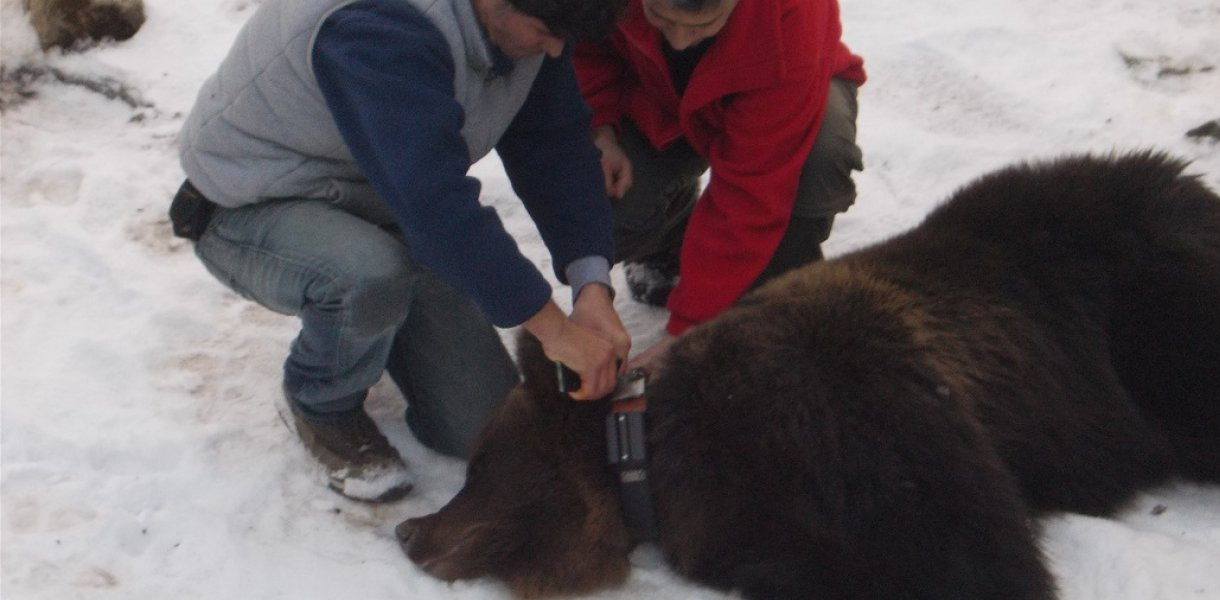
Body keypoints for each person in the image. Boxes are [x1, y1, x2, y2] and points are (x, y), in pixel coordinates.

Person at [171, 0, 631, 503]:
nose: (557, 50)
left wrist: (593, 287)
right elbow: (435, 203)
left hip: (380, 197)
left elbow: (555, 147)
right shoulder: (381, 28)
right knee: (368, 276)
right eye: (545, 31)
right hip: (254, 199)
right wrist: (554, 330)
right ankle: (321, 401)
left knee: (479, 424)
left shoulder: (531, 25)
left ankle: (374, 322)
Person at [573, 0, 866, 372]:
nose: (679, 41)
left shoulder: (792, 14)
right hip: (655, 96)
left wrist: (688, 331)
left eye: (702, 24)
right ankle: (671, 241)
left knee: (815, 163)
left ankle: (779, 291)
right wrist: (599, 126)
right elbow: (586, 45)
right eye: (660, 17)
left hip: (784, 89)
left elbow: (753, 191)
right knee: (596, 204)